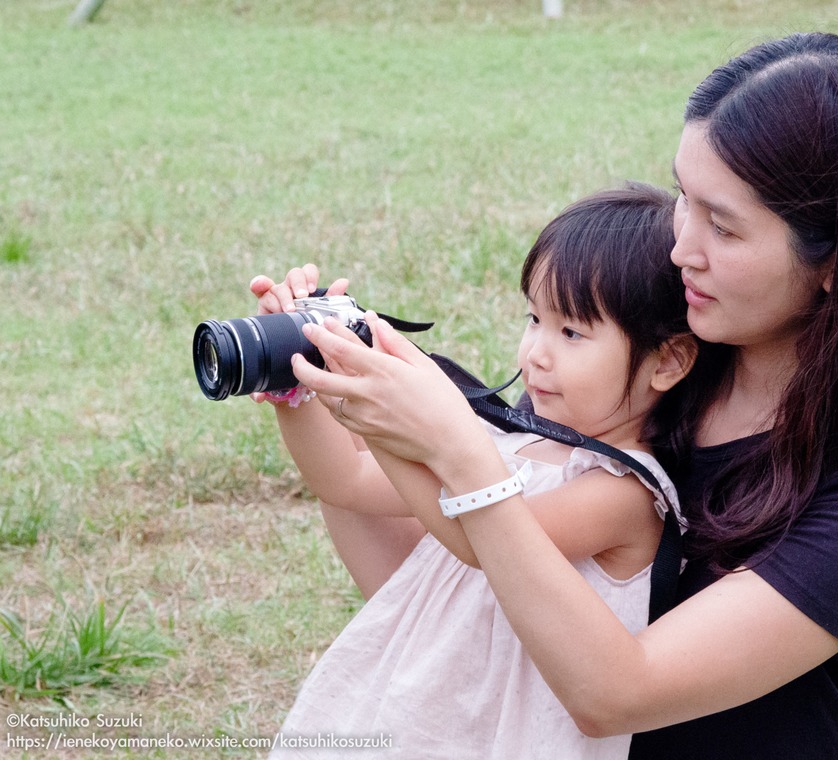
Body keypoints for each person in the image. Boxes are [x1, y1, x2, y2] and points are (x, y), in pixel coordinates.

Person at [290, 31, 838, 758]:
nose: (680, 250)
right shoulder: (648, 369)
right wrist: (330, 391)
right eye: (684, 200)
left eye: (723, 226)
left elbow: (616, 693)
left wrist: (452, 448)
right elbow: (444, 588)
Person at [254, 183, 699, 758]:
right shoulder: (504, 444)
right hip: (416, 712)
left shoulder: (626, 490)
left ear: (668, 360)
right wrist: (299, 373)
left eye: (572, 333)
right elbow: (343, 482)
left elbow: (478, 535)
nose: (535, 352)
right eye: (534, 319)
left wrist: (400, 424)